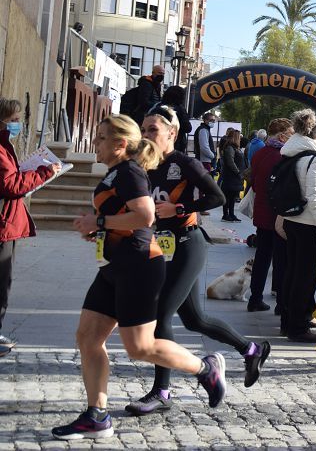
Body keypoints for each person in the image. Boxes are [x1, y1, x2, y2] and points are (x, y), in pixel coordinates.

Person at [54, 115, 225, 440]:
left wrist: (100, 223)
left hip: (138, 268)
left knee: (140, 347)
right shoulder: (118, 172)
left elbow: (146, 216)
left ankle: (206, 369)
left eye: (101, 138)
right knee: (88, 338)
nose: (95, 144)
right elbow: (126, 218)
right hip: (113, 266)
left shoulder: (129, 172)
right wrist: (99, 228)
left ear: (120, 144)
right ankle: (97, 415)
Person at [125, 106, 271, 416]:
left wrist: (179, 208)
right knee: (195, 320)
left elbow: (216, 197)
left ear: (171, 134)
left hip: (189, 243)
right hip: (162, 247)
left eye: (153, 129)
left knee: (160, 314)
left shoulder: (184, 163)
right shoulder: (143, 165)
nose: (147, 134)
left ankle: (162, 392)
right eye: (144, 129)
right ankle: (251, 349)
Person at [0, 98, 60, 357]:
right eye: (13, 120)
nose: (17, 125)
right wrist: (45, 172)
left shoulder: (5, 145)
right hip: (3, 225)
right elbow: (11, 185)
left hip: (7, 222)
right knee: (1, 281)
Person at [279, 109, 316, 343]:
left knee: (293, 273)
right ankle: (298, 327)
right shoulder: (314, 158)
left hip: (293, 220)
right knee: (304, 277)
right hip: (308, 223)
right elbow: (315, 196)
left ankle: (287, 321)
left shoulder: (292, 151)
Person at [248, 118, 293, 313]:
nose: (293, 137)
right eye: (291, 133)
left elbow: (255, 184)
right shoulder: (282, 156)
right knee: (281, 259)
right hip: (277, 216)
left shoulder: (260, 153)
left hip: (261, 212)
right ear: (282, 136)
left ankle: (255, 297)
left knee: (262, 257)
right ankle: (281, 302)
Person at [217, 129, 244, 222]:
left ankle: (231, 214)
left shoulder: (235, 148)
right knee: (228, 195)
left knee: (232, 196)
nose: (240, 139)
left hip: (234, 176)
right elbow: (230, 162)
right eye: (239, 137)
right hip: (231, 176)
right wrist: (238, 172)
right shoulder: (230, 148)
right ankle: (226, 214)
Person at [159, 86, 190, 154]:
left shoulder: (158, 107)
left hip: (159, 143)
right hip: (176, 145)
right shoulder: (180, 109)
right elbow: (188, 128)